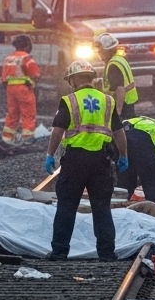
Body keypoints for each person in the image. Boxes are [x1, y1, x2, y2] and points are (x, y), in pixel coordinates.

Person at [44, 61, 129, 261]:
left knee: (66, 206)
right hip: (101, 160)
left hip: (75, 161)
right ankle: (107, 253)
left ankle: (59, 252)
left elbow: (57, 131)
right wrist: (123, 156)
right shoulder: (108, 101)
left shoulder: (69, 100)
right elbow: (119, 133)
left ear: (73, 80)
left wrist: (50, 154)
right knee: (101, 207)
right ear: (91, 78)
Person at [118, 115, 155, 206]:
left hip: (122, 132)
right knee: (154, 185)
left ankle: (118, 207)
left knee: (125, 182)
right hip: (142, 136)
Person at [0, 34, 41, 143]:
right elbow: (35, 74)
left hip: (10, 90)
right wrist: (33, 82)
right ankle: (27, 138)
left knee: (12, 113)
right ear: (28, 46)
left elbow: (3, 79)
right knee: (28, 112)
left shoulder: (8, 59)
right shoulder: (26, 58)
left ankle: (6, 138)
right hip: (24, 89)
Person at [96, 33, 138, 120]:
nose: (98, 53)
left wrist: (118, 112)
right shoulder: (120, 59)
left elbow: (120, 89)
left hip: (122, 108)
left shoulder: (113, 65)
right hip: (129, 105)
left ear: (107, 50)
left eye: (100, 51)